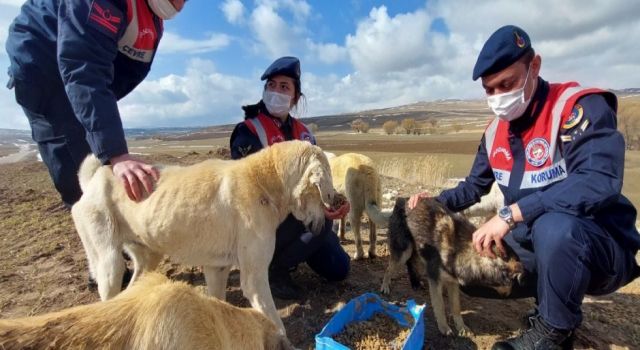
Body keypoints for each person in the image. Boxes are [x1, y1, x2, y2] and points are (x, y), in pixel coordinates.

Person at [409, 25, 640, 350]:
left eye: (507, 83)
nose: (499, 97)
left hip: (600, 248)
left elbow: (597, 180)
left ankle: (553, 333)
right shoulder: (494, 134)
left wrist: (512, 213)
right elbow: (473, 186)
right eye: (490, 90)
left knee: (552, 225)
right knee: (471, 266)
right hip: (542, 243)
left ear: (534, 67)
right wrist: (433, 201)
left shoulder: (577, 110)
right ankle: (553, 307)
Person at [5, 0, 188, 208]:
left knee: (94, 153)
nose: (182, 3)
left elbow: (116, 75)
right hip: (42, 63)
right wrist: (115, 153)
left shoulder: (152, 19)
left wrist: (99, 122)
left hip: (81, 77)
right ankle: (88, 215)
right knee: (77, 164)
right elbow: (84, 68)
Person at [230, 56, 351, 300]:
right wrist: (313, 209)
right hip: (264, 220)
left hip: (300, 216)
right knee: (321, 223)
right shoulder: (249, 132)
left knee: (340, 268)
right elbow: (250, 192)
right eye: (271, 86)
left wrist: (333, 202)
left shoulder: (305, 135)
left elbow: (317, 180)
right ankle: (273, 269)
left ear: (295, 97)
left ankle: (295, 252)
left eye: (284, 87)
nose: (276, 92)